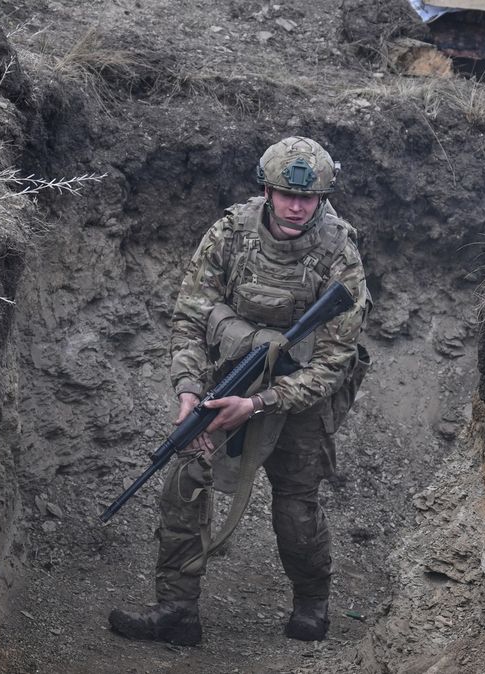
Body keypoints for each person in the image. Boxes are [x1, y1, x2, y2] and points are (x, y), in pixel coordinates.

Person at [109, 137, 371, 645]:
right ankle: (177, 612)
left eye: (309, 197)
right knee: (183, 483)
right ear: (266, 190)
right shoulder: (230, 232)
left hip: (301, 397)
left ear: (322, 197)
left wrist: (260, 403)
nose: (297, 206)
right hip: (229, 375)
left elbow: (336, 360)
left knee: (296, 504)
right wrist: (188, 387)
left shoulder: (340, 253)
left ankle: (312, 604)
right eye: (285, 194)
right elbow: (190, 316)